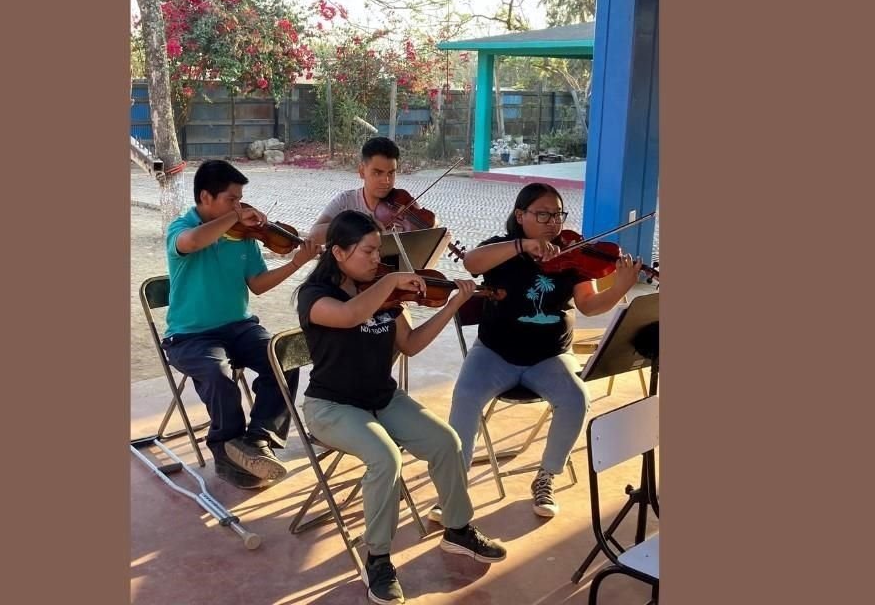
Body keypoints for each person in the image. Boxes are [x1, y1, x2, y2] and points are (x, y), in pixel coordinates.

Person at [295, 210, 506, 605]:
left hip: (383, 398)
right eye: (369, 251)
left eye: (380, 252)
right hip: (332, 407)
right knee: (385, 458)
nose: (378, 259)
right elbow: (350, 315)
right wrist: (391, 279)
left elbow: (409, 344)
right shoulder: (316, 297)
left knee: (446, 442)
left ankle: (458, 530)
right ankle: (377, 558)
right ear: (338, 252)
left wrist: (451, 305)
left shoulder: (384, 293)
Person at [446, 182, 642, 518]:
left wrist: (621, 287)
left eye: (557, 215)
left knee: (576, 399)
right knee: (464, 396)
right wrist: (523, 245)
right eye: (543, 214)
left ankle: (546, 476)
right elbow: (471, 263)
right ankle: (454, 485)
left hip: (550, 356)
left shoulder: (573, 256)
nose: (553, 222)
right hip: (493, 352)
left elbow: (590, 305)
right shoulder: (500, 249)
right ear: (520, 216)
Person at [162, 160, 321, 489]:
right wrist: (235, 217)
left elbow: (259, 284)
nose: (240, 206)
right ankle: (226, 450)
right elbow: (192, 243)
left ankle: (258, 441)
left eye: (240, 199)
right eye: (231, 199)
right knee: (219, 376)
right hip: (189, 337)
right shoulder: (181, 228)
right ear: (206, 197)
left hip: (239, 327)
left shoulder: (244, 237)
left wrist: (296, 262)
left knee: (284, 358)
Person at [308, 136, 440, 245]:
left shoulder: (401, 199)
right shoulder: (346, 201)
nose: (386, 180)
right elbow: (314, 235)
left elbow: (427, 224)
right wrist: (360, 226)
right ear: (361, 171)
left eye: (391, 173)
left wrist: (433, 226)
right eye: (377, 173)